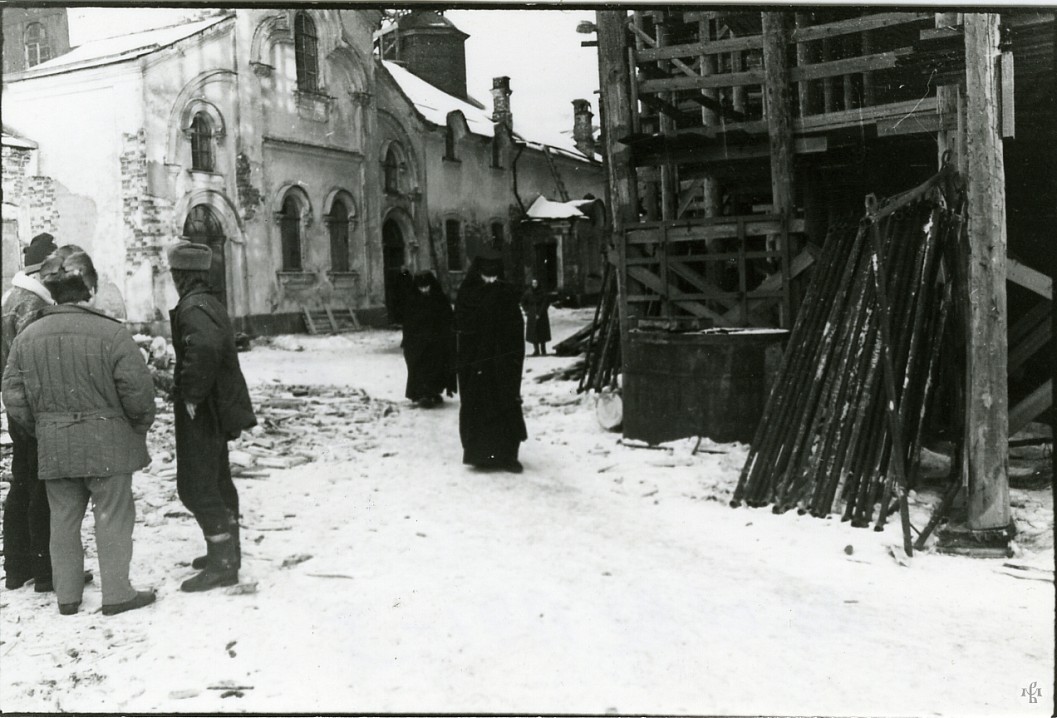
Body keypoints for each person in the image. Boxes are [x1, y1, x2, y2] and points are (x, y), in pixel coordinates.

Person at [2, 249, 156, 616]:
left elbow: (13, 394)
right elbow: (139, 394)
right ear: (89, 286)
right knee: (113, 518)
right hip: (108, 444)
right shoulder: (113, 333)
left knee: (63, 522)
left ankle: (67, 596)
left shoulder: (28, 337)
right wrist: (135, 426)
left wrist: (41, 429)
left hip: (55, 446)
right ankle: (117, 594)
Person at [168, 241, 257, 592]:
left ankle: (222, 561)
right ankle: (227, 550)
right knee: (218, 478)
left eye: (175, 274)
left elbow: (203, 347)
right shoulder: (209, 302)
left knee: (195, 485)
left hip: (202, 408)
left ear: (181, 275)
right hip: (218, 405)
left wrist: (191, 393)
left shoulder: (192, 307)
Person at [1, 233, 57, 591]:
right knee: (41, 485)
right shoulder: (32, 304)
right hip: (34, 407)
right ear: (42, 271)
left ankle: (17, 568)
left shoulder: (11, 298)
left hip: (14, 403)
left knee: (22, 481)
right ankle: (44, 570)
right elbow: (35, 361)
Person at [454, 248, 527, 472]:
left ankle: (507, 456)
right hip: (476, 362)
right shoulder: (468, 294)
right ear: (478, 273)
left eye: (495, 275)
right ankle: (480, 455)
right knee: (479, 407)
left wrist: (511, 357)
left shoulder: (507, 294)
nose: (491, 280)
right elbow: (461, 327)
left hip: (502, 363)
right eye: (487, 275)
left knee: (505, 405)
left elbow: (516, 327)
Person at [402, 270, 457, 408]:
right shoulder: (412, 300)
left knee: (436, 367)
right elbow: (408, 322)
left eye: (427, 287)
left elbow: (448, 318)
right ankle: (423, 394)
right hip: (418, 343)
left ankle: (433, 392)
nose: (424, 290)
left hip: (436, 342)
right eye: (421, 287)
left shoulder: (439, 298)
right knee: (420, 368)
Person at [520, 278, 555, 356]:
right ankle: (536, 350)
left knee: (542, 332)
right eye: (533, 283)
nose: (534, 284)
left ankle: (543, 350)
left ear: (538, 284)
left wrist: (540, 313)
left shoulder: (542, 292)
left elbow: (545, 303)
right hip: (532, 315)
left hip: (542, 315)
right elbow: (523, 302)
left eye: (536, 283)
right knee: (533, 333)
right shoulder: (528, 292)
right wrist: (527, 311)